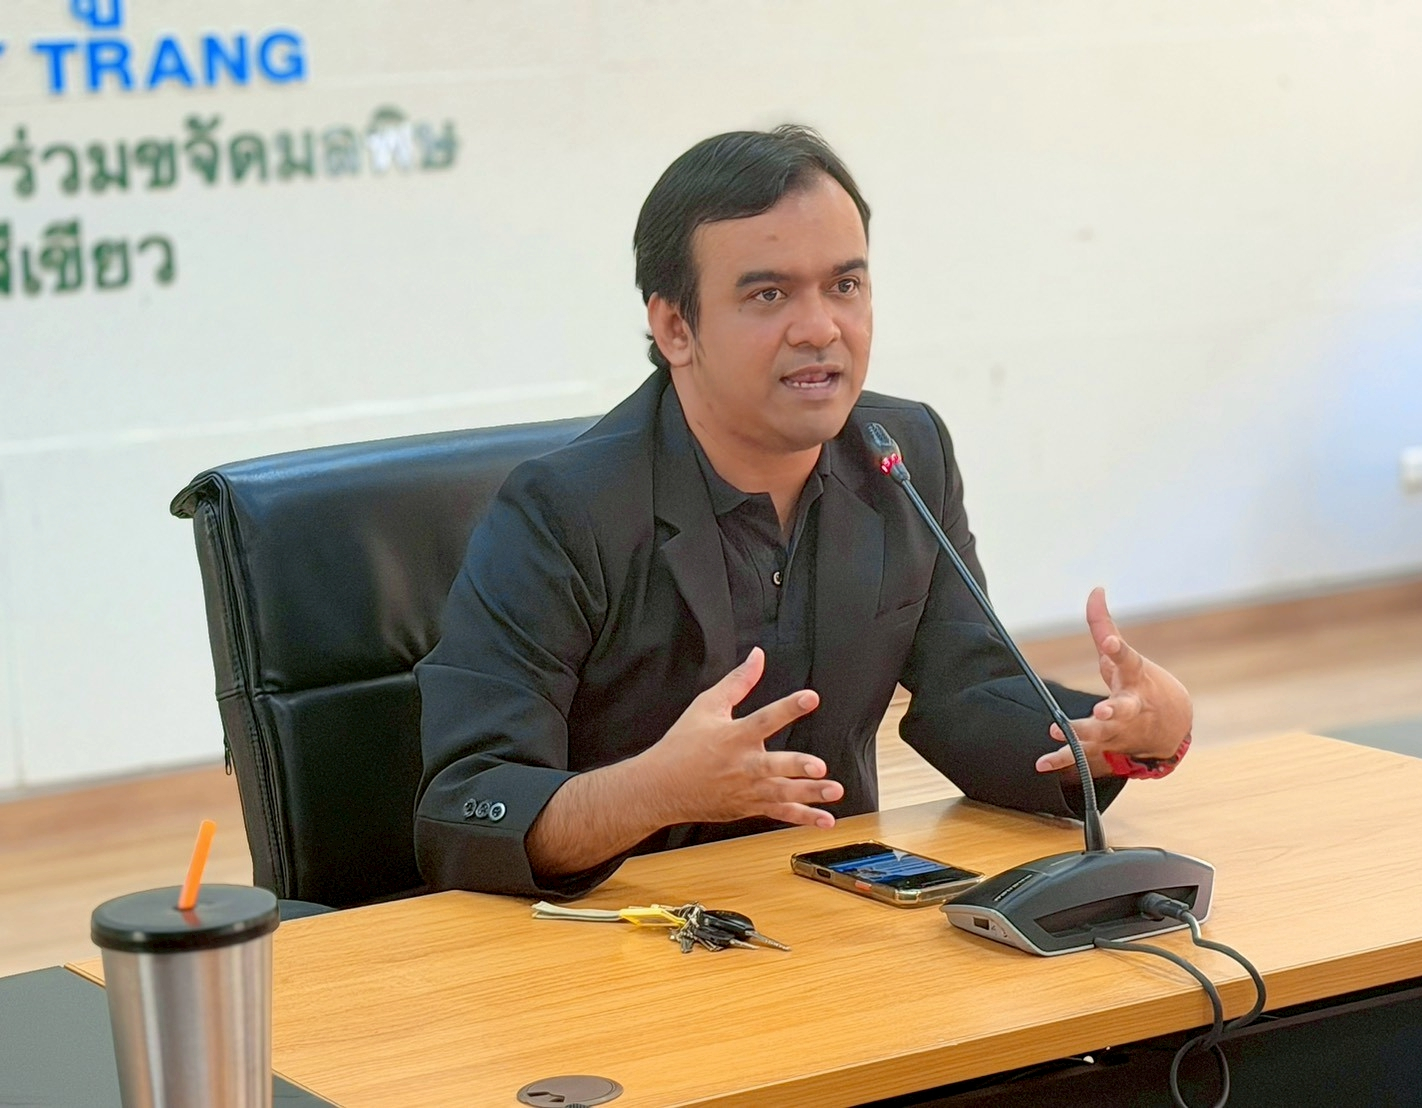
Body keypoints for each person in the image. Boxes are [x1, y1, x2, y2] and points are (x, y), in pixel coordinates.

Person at [413, 125, 1193, 898]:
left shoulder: (900, 455)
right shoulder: (561, 511)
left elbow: (966, 695)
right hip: (619, 934)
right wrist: (652, 791)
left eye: (844, 286)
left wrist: (1123, 736)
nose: (820, 328)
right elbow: (461, 810)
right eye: (768, 295)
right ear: (674, 327)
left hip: (832, 910)